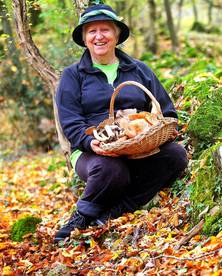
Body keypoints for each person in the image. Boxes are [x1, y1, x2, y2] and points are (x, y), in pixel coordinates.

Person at [54, 3, 188, 243]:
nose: (99, 36)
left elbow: (166, 110)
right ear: (84, 39)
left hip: (140, 144)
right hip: (92, 150)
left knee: (175, 156)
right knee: (112, 170)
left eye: (105, 29)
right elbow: (71, 121)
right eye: (91, 31)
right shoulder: (72, 76)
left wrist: (159, 131)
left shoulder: (139, 70)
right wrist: (89, 142)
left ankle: (119, 209)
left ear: (116, 35)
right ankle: (81, 217)